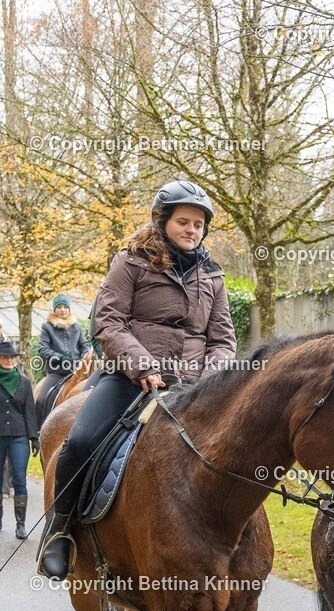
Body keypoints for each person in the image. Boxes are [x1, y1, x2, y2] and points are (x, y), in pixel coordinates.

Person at [38, 178, 237, 580]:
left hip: (194, 387)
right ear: (163, 221)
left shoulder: (212, 276)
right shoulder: (130, 262)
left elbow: (222, 339)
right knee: (79, 442)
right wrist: (143, 365)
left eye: (198, 225)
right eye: (183, 222)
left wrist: (211, 382)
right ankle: (59, 532)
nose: (192, 230)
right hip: (129, 378)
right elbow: (108, 321)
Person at [0, 337, 39, 539]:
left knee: (20, 479)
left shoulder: (24, 383)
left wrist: (34, 437)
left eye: (12, 357)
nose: (9, 360)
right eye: (5, 357)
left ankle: (21, 524)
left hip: (19, 437)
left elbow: (30, 412)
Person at [36, 294, 91, 426]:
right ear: (54, 309)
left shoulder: (77, 327)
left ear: (69, 309)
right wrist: (59, 357)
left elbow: (84, 345)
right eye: (59, 307)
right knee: (40, 400)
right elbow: (43, 349)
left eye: (65, 307)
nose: (62, 310)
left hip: (76, 371)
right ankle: (39, 430)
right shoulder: (47, 327)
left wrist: (84, 358)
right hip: (57, 372)